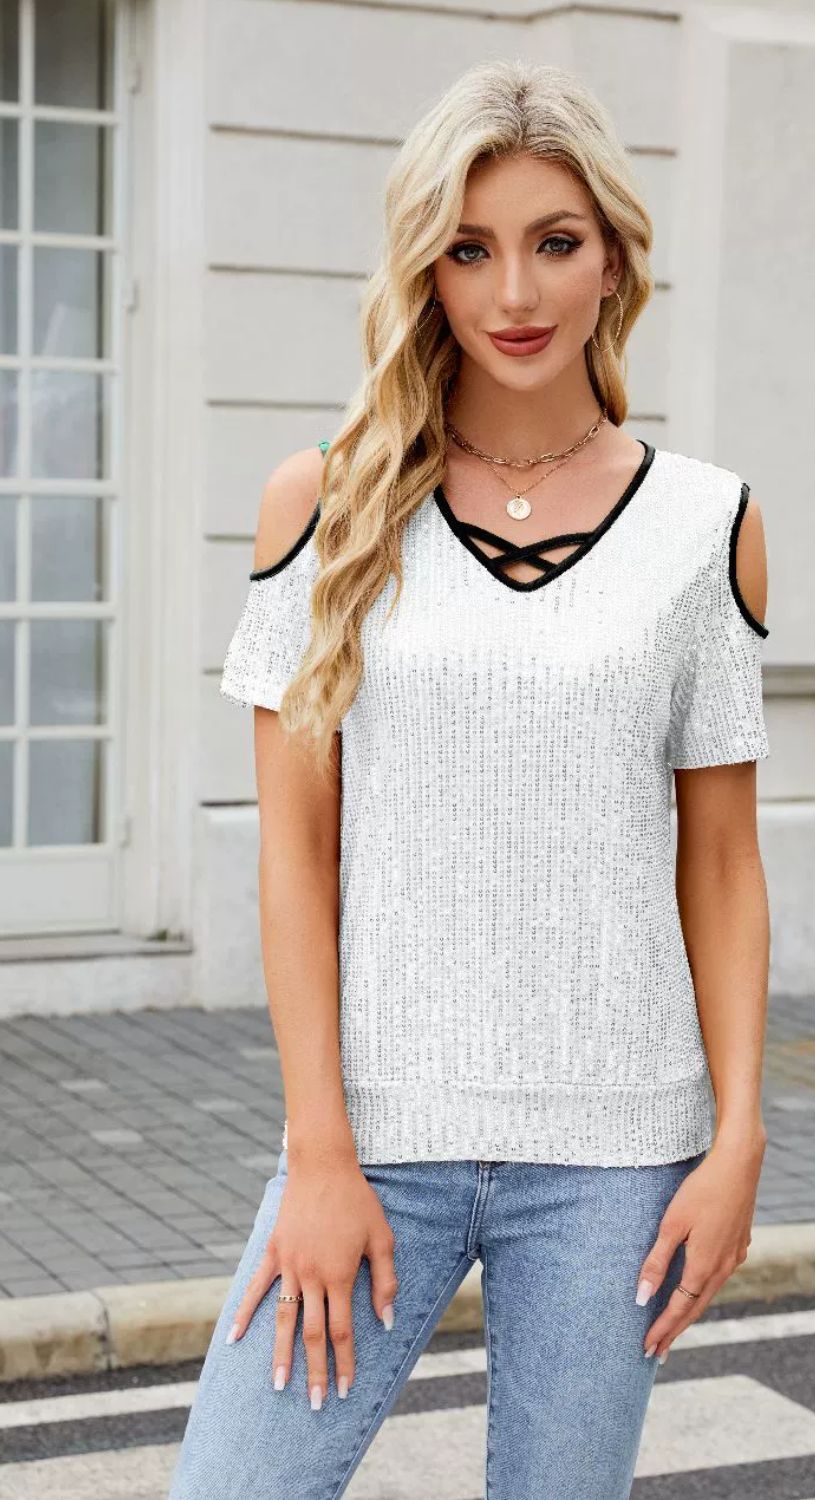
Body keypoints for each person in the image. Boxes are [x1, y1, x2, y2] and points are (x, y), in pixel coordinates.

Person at [169, 55, 771, 1500]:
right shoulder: (323, 504)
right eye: (467, 248)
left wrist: (740, 1134)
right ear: (422, 270)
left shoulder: (709, 525)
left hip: (619, 1154)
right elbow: (295, 855)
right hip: (375, 1137)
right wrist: (321, 1150)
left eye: (554, 242)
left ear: (614, 257)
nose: (514, 292)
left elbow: (720, 860)